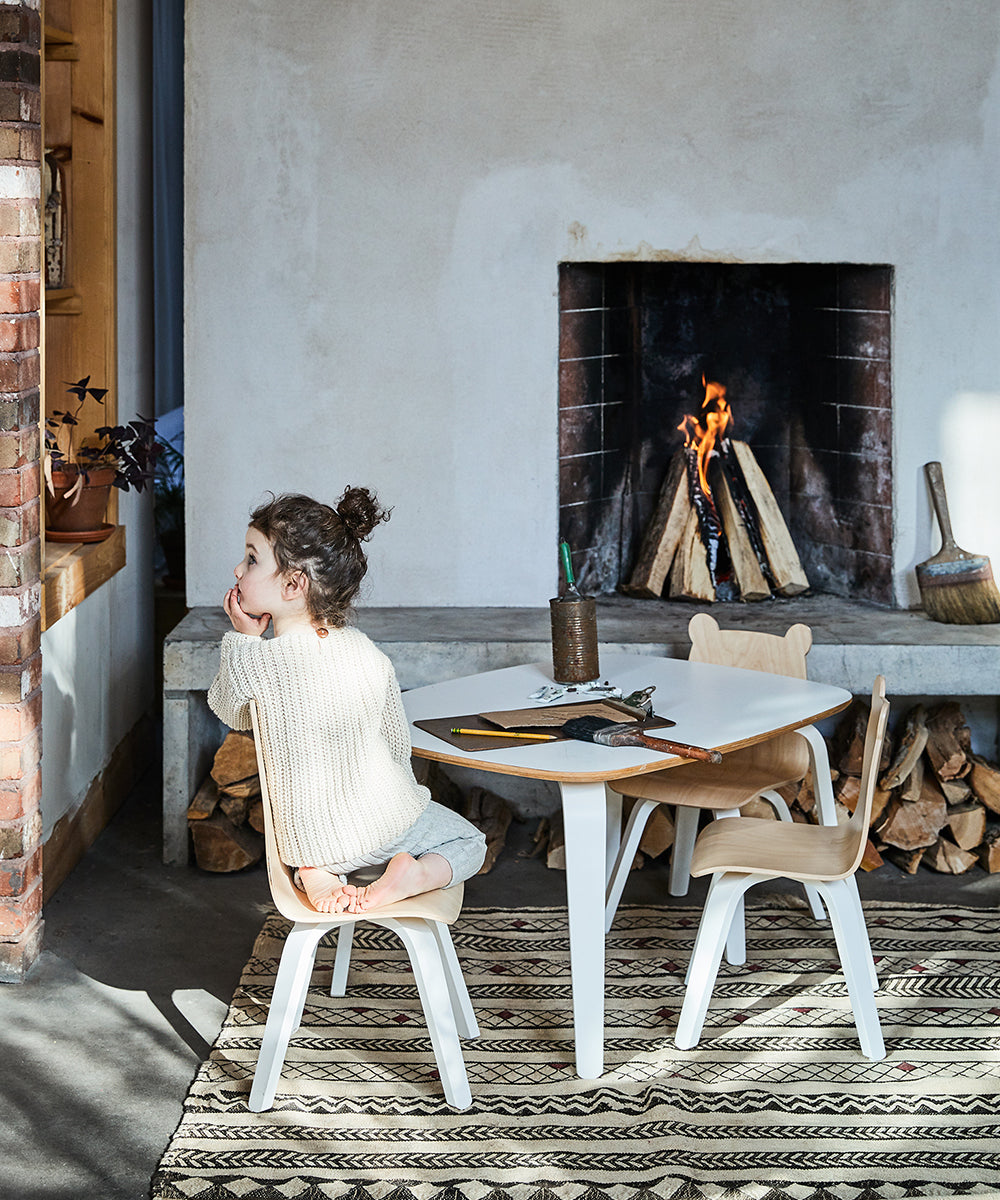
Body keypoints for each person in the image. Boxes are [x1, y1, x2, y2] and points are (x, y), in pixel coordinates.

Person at [207, 488, 486, 914]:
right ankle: (413, 875)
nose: (237, 568)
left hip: (309, 839)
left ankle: (314, 872)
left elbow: (230, 709)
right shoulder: (367, 652)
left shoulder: (261, 660)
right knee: (472, 842)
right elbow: (396, 746)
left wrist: (243, 640)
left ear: (293, 584)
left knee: (320, 846)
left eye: (251, 558)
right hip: (385, 827)